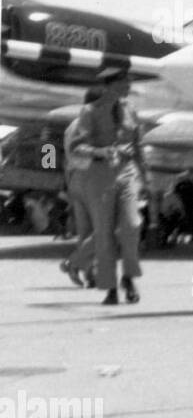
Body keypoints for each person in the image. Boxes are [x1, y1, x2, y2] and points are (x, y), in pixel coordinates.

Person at [63, 70, 148, 305]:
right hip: (94, 178)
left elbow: (138, 145)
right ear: (109, 86)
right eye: (124, 83)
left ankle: (127, 277)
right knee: (100, 233)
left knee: (132, 225)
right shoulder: (86, 115)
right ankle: (108, 286)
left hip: (125, 172)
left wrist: (146, 179)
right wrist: (103, 152)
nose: (129, 87)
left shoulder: (131, 110)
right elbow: (71, 151)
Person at [60, 87, 100, 287]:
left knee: (86, 231)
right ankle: (74, 263)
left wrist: (64, 185)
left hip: (75, 178)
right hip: (93, 178)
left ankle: (89, 274)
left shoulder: (72, 124)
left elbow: (64, 155)